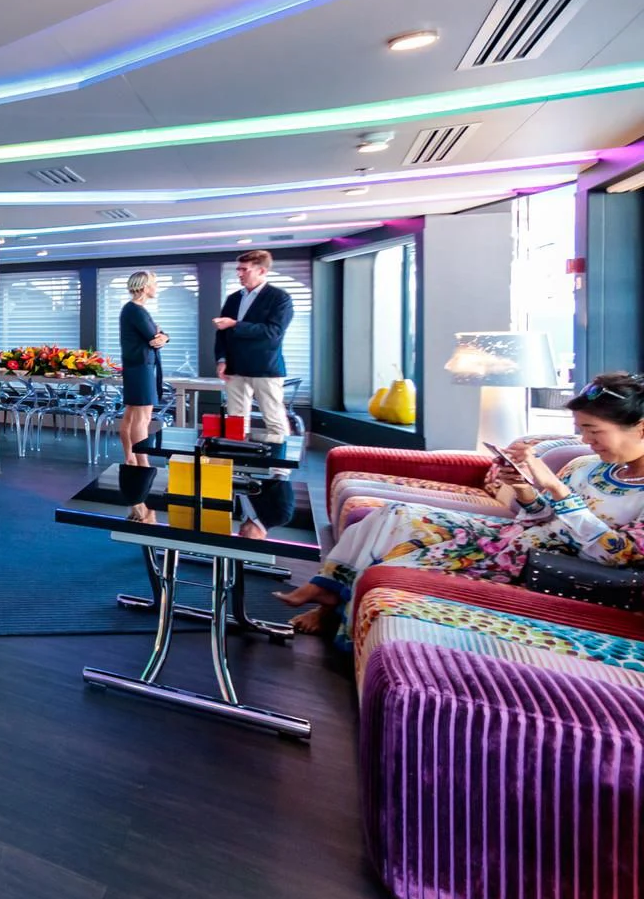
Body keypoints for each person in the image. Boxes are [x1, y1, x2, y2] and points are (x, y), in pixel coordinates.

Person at [277, 371, 644, 636]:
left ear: (640, 427)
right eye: (581, 430)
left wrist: (556, 488)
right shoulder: (585, 466)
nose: (585, 440)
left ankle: (334, 607)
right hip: (512, 536)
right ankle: (328, 589)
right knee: (394, 515)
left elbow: (617, 557)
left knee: (396, 558)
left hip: (541, 564)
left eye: (594, 431)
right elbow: (541, 516)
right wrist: (524, 488)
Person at [212, 249, 294, 448]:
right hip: (234, 367)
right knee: (235, 420)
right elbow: (222, 333)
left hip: (265, 368)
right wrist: (221, 359)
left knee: (274, 418)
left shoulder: (279, 298)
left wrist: (235, 324)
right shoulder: (233, 298)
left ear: (261, 271)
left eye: (244, 270)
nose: (239, 274)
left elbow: (273, 332)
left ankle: (280, 464)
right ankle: (237, 459)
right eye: (238, 269)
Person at [117, 271, 168, 465]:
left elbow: (158, 335)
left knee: (132, 416)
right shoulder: (136, 311)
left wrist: (164, 336)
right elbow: (153, 337)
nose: (156, 287)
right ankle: (142, 463)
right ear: (145, 287)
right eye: (154, 283)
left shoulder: (133, 309)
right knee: (142, 418)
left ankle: (131, 459)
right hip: (141, 367)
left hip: (137, 366)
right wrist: (160, 336)